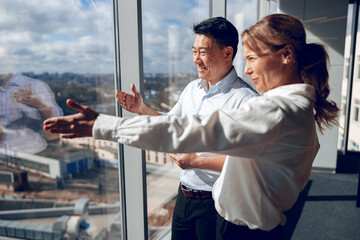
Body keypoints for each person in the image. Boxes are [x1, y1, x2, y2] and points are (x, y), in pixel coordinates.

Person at [44, 13, 339, 239]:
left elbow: (188, 131)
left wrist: (101, 125)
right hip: (219, 212)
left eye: (251, 59)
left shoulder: (271, 108)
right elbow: (180, 125)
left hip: (241, 228)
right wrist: (142, 110)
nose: (248, 69)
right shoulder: (292, 107)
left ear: (286, 55)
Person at [116, 17, 258, 240]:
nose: (196, 60)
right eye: (194, 52)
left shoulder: (246, 101)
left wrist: (195, 162)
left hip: (217, 205)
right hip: (184, 197)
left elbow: (251, 163)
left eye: (203, 52)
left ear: (228, 53)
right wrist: (142, 109)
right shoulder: (193, 89)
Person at [0, 54, 62, 154]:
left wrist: (37, 104)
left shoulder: (35, 85)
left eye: (3, 60)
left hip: (32, 152)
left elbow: (54, 118)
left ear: (14, 60)